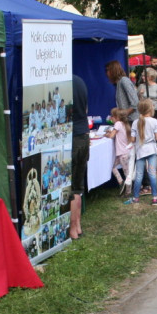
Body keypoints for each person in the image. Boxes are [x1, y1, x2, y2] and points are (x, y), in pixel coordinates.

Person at [124, 99, 157, 206]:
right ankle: (155, 198)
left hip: (140, 151)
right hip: (151, 150)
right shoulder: (154, 121)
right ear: (151, 109)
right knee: (152, 174)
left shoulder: (136, 122)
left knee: (139, 175)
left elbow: (133, 140)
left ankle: (135, 198)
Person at [68, 75, 89, 240]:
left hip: (72, 136)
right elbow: (86, 109)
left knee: (72, 188)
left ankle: (73, 229)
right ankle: (78, 226)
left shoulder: (64, 82)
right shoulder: (80, 81)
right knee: (78, 186)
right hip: (83, 135)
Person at [104, 107, 132, 192]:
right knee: (113, 167)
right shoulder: (124, 124)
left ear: (117, 117)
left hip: (123, 154)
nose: (111, 117)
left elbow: (112, 136)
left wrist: (107, 135)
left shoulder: (118, 124)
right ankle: (121, 182)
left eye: (112, 116)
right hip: (124, 153)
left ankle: (128, 191)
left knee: (126, 173)